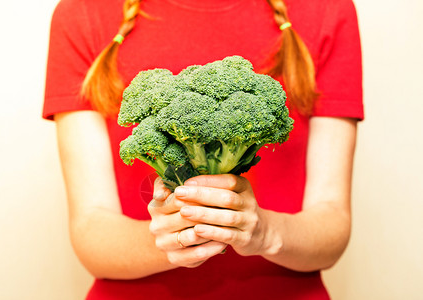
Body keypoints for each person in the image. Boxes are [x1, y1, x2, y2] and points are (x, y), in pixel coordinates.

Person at [43, 0, 363, 298]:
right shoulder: (83, 12)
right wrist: (173, 236)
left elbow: (332, 221)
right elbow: (90, 229)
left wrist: (262, 232)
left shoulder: (325, 9)